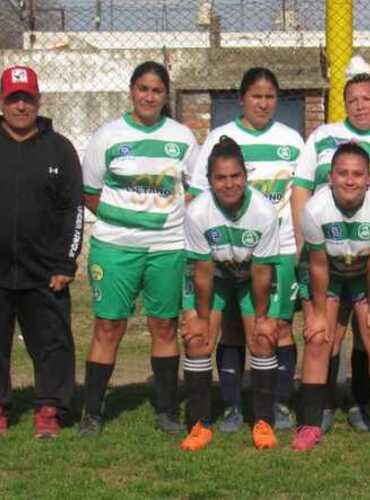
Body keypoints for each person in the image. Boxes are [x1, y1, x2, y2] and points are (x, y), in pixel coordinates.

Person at [291, 72, 370, 432]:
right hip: (327, 241)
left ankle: (364, 404)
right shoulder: (323, 137)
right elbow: (301, 189)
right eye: (352, 99)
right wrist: (305, 242)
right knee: (328, 330)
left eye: (367, 98)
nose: (360, 105)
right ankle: (325, 404)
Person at [79, 61, 199, 435]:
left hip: (167, 247)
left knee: (163, 326)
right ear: (132, 91)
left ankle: (165, 410)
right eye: (143, 88)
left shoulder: (182, 137)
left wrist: (163, 222)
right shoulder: (107, 136)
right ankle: (92, 413)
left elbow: (195, 189)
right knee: (108, 326)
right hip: (115, 246)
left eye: (157, 91)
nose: (149, 96)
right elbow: (90, 192)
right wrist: (126, 221)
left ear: (166, 97)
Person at [189, 68, 304, 432]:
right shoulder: (219, 139)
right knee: (234, 330)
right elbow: (198, 195)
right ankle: (233, 405)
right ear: (242, 99)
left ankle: (277, 404)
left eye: (270, 96)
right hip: (227, 248)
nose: (263, 103)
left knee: (277, 326)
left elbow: (300, 193)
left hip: (277, 245)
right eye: (256, 96)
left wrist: (301, 244)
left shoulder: (292, 140)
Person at [292, 142, 370, 451]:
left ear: (369, 178)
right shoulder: (315, 210)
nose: (350, 180)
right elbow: (316, 266)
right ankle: (310, 424)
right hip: (326, 271)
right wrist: (316, 312)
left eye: (357, 174)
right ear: (331, 176)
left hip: (364, 272)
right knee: (318, 338)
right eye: (342, 173)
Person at [180, 136, 281, 451]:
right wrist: (200, 317)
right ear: (209, 181)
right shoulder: (197, 212)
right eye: (220, 178)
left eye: (235, 176)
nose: (229, 184)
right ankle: (200, 424)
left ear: (246, 176)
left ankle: (263, 422)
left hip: (252, 276)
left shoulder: (264, 212)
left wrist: (263, 317)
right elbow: (203, 272)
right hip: (215, 277)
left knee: (263, 337)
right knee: (197, 338)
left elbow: (262, 273)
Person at [0, 65, 83, 438]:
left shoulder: (60, 148)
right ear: (2, 102)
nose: (20, 106)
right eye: (13, 99)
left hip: (45, 270)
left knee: (52, 342)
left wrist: (66, 261)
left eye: (27, 99)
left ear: (38, 101)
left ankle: (49, 409)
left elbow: (74, 210)